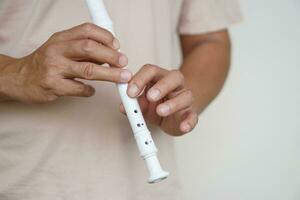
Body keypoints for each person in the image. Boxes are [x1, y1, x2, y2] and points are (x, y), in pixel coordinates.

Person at [0, 0, 242, 199]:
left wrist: (181, 100)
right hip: (22, 184)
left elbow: (209, 40)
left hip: (148, 192)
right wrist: (16, 73)